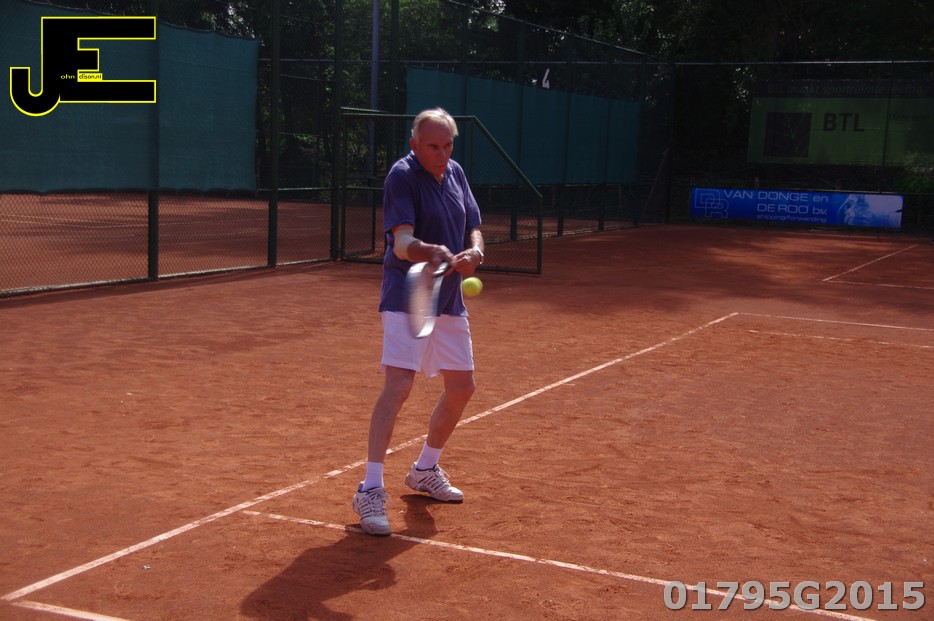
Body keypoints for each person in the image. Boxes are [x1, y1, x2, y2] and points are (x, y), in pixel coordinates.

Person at [352, 108, 485, 536]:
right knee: (399, 385)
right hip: (408, 296)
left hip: (448, 298)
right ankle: (370, 489)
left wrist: (475, 251)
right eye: (433, 146)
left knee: (462, 386)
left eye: (448, 145)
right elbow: (402, 242)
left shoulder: (455, 172)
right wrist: (429, 250)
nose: (442, 154)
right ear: (415, 145)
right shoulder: (402, 176)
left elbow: (474, 226)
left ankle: (425, 469)